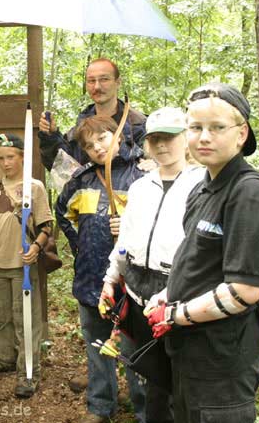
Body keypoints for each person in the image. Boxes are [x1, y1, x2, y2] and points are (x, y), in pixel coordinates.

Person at [144, 83, 259, 423]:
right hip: (188, 355)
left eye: (217, 127)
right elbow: (199, 263)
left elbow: (245, 290)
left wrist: (176, 315)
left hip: (221, 365)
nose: (204, 137)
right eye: (196, 127)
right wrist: (165, 295)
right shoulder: (202, 188)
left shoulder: (249, 193)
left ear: (241, 133)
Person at [101, 107, 205, 423]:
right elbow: (127, 240)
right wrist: (110, 279)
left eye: (170, 137)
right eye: (155, 139)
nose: (162, 146)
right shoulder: (141, 187)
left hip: (182, 292)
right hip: (138, 294)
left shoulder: (203, 183)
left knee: (185, 383)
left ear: (186, 137)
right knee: (154, 381)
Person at [55, 115, 145, 423]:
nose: (97, 148)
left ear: (119, 136)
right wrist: (80, 245)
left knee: (135, 349)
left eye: (102, 139)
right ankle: (100, 406)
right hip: (92, 278)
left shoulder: (143, 176)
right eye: (89, 145)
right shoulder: (82, 180)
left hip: (131, 282)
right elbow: (63, 213)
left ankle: (143, 408)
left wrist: (131, 225)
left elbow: (159, 223)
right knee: (97, 346)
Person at [0, 133, 54, 398]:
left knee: (26, 319)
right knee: (2, 315)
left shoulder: (34, 188)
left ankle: (28, 371)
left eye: (10, 156)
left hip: (23, 265)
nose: (5, 162)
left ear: (22, 156)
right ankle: (5, 357)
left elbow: (46, 226)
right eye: (1, 158)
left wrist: (35, 248)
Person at [38, 57, 146, 171]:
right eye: (91, 81)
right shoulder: (80, 127)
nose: (97, 87)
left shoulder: (139, 125)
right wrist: (51, 137)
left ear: (118, 82)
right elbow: (61, 168)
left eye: (104, 79)